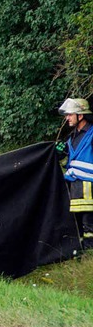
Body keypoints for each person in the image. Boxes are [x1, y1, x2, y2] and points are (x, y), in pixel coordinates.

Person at [59, 98, 93, 250]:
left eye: (70, 115)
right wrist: (58, 153)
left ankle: (89, 251)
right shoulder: (71, 137)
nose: (67, 118)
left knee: (88, 221)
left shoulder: (91, 134)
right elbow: (68, 158)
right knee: (77, 220)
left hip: (89, 185)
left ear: (81, 115)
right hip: (74, 184)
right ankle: (81, 250)